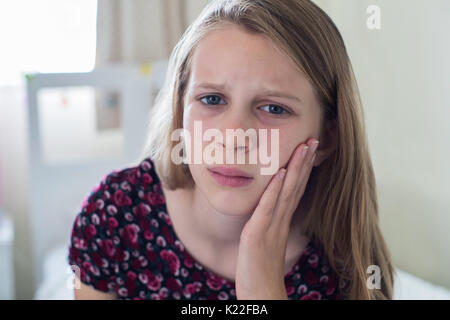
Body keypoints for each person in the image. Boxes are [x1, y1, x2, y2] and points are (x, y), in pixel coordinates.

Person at [68, 0, 394, 300]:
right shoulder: (114, 217)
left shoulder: (342, 263)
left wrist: (263, 289)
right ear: (181, 109)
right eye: (212, 99)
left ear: (329, 136)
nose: (234, 138)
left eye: (274, 109)